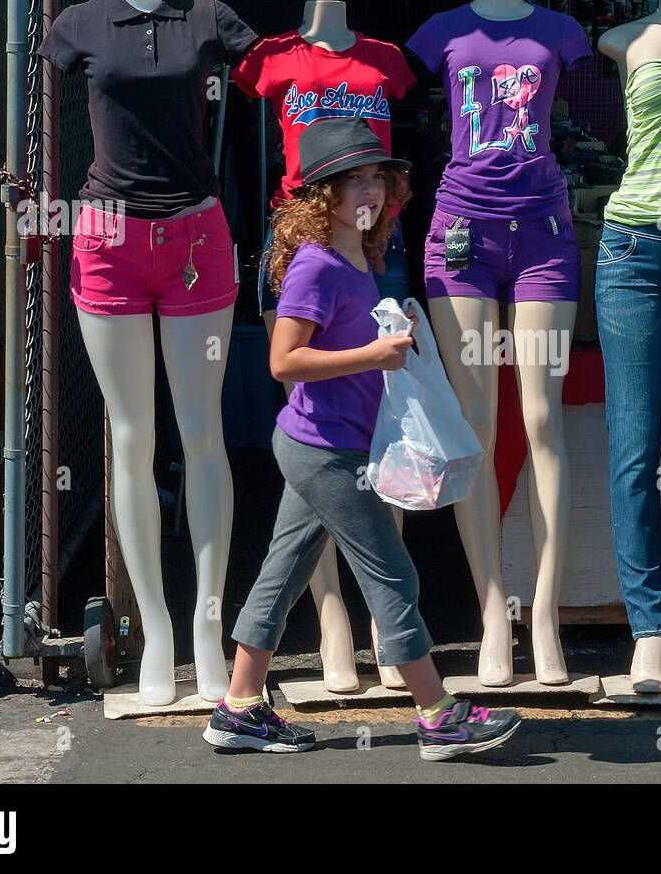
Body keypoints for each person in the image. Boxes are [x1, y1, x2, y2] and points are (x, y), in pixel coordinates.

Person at [202, 118, 522, 759]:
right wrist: (375, 354)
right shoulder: (316, 266)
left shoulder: (357, 255)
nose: (369, 190)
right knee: (392, 578)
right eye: (352, 181)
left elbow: (341, 342)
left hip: (324, 443)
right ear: (322, 196)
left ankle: (238, 709)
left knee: (282, 575)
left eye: (376, 176)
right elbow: (282, 362)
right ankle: (437, 717)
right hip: (327, 451)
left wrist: (385, 331)